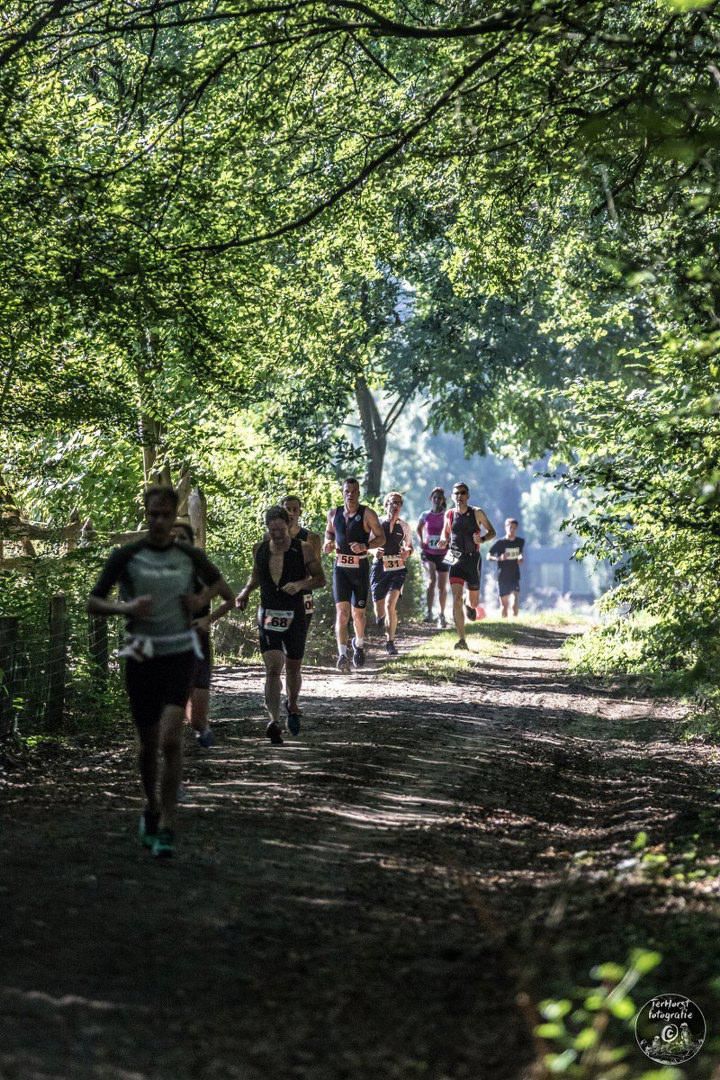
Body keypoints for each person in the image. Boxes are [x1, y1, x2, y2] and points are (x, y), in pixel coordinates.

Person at [87, 486, 220, 858]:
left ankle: (168, 824)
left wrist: (200, 600)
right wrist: (127, 608)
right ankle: (151, 805)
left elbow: (220, 587)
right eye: (153, 514)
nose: (159, 521)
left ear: (174, 515)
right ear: (146, 515)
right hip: (141, 655)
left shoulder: (189, 555)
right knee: (147, 745)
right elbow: (93, 602)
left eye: (165, 514)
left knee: (171, 740)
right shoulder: (127, 556)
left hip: (179, 654)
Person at [236, 506, 325, 744]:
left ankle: (292, 705)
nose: (276, 534)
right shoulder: (260, 549)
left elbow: (320, 579)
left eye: (280, 530)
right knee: (273, 666)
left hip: (295, 614)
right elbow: (256, 575)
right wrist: (244, 593)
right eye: (272, 530)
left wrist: (300, 585)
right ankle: (273, 721)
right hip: (268, 612)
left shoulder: (303, 549)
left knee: (293, 667)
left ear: (288, 526)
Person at [171, 521, 236, 747]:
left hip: (198, 644)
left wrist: (208, 619)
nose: (176, 542)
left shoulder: (202, 569)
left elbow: (230, 599)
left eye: (182, 538)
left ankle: (201, 727)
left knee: (198, 718)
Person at [324, 478, 385, 672]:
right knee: (342, 613)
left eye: (354, 491)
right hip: (340, 568)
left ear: (359, 493)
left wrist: (365, 546)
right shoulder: (333, 513)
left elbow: (381, 537)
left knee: (358, 614)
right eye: (347, 491)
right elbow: (329, 533)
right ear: (342, 492)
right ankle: (342, 655)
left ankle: (358, 644)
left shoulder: (367, 514)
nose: (350, 494)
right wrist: (328, 543)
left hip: (359, 569)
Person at [439, 482, 496, 650]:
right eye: (456, 493)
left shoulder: (477, 513)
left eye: (463, 493)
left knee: (474, 603)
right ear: (452, 496)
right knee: (455, 598)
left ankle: (468, 602)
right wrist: (443, 540)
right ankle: (462, 640)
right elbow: (445, 532)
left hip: (472, 559)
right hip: (455, 557)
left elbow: (492, 532)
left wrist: (482, 539)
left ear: (468, 496)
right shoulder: (449, 514)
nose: (459, 496)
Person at [371, 491, 414, 655]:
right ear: (386, 505)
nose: (395, 505)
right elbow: (367, 545)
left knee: (390, 604)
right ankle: (380, 619)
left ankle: (390, 642)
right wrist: (374, 551)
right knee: (380, 609)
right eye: (392, 502)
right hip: (379, 567)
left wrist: (407, 552)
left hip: (397, 568)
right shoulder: (377, 523)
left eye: (399, 503)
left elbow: (410, 546)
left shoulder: (404, 526)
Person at [416, 487, 450, 627]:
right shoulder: (425, 515)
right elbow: (418, 528)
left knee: (442, 586)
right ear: (431, 499)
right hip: (428, 553)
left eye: (439, 498)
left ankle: (441, 614)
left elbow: (451, 532)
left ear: (443, 500)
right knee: (431, 581)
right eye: (434, 497)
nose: (437, 500)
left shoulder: (447, 515)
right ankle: (429, 612)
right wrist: (421, 540)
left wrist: (447, 541)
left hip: (444, 554)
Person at [488, 518, 525, 617]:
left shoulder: (520, 541)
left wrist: (520, 557)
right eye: (510, 527)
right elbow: (488, 556)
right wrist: (498, 558)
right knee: (504, 605)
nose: (511, 529)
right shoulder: (500, 543)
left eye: (514, 528)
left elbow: (520, 553)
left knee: (515, 601)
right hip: (502, 576)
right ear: (505, 527)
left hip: (514, 575)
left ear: (516, 529)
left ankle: (516, 622)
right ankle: (505, 624)